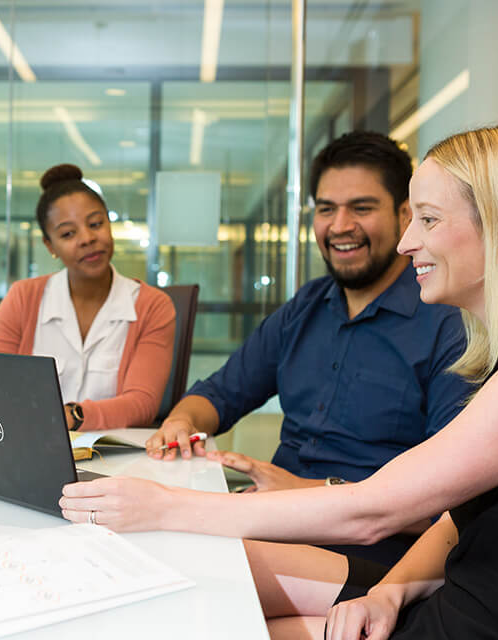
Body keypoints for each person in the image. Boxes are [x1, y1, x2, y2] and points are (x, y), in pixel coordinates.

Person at [61, 122, 498, 639]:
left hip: (435, 586)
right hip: (435, 582)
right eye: (326, 208)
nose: (411, 243)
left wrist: (164, 506)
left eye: (428, 219)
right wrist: (392, 591)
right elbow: (460, 510)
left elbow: (383, 510)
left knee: (195, 596)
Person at [146, 131, 472, 565]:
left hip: (368, 547)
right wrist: (182, 421)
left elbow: (446, 501)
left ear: (404, 215)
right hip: (272, 519)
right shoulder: (306, 306)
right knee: (145, 549)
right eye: (326, 209)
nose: (340, 226)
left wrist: (304, 491)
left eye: (361, 207)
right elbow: (222, 393)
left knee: (187, 575)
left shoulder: (448, 325)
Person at [0, 163, 175, 431]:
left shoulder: (152, 306)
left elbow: (142, 403)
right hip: (32, 446)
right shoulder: (23, 298)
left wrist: (72, 416)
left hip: (113, 456)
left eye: (96, 224)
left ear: (109, 224)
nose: (87, 238)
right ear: (50, 246)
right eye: (68, 233)